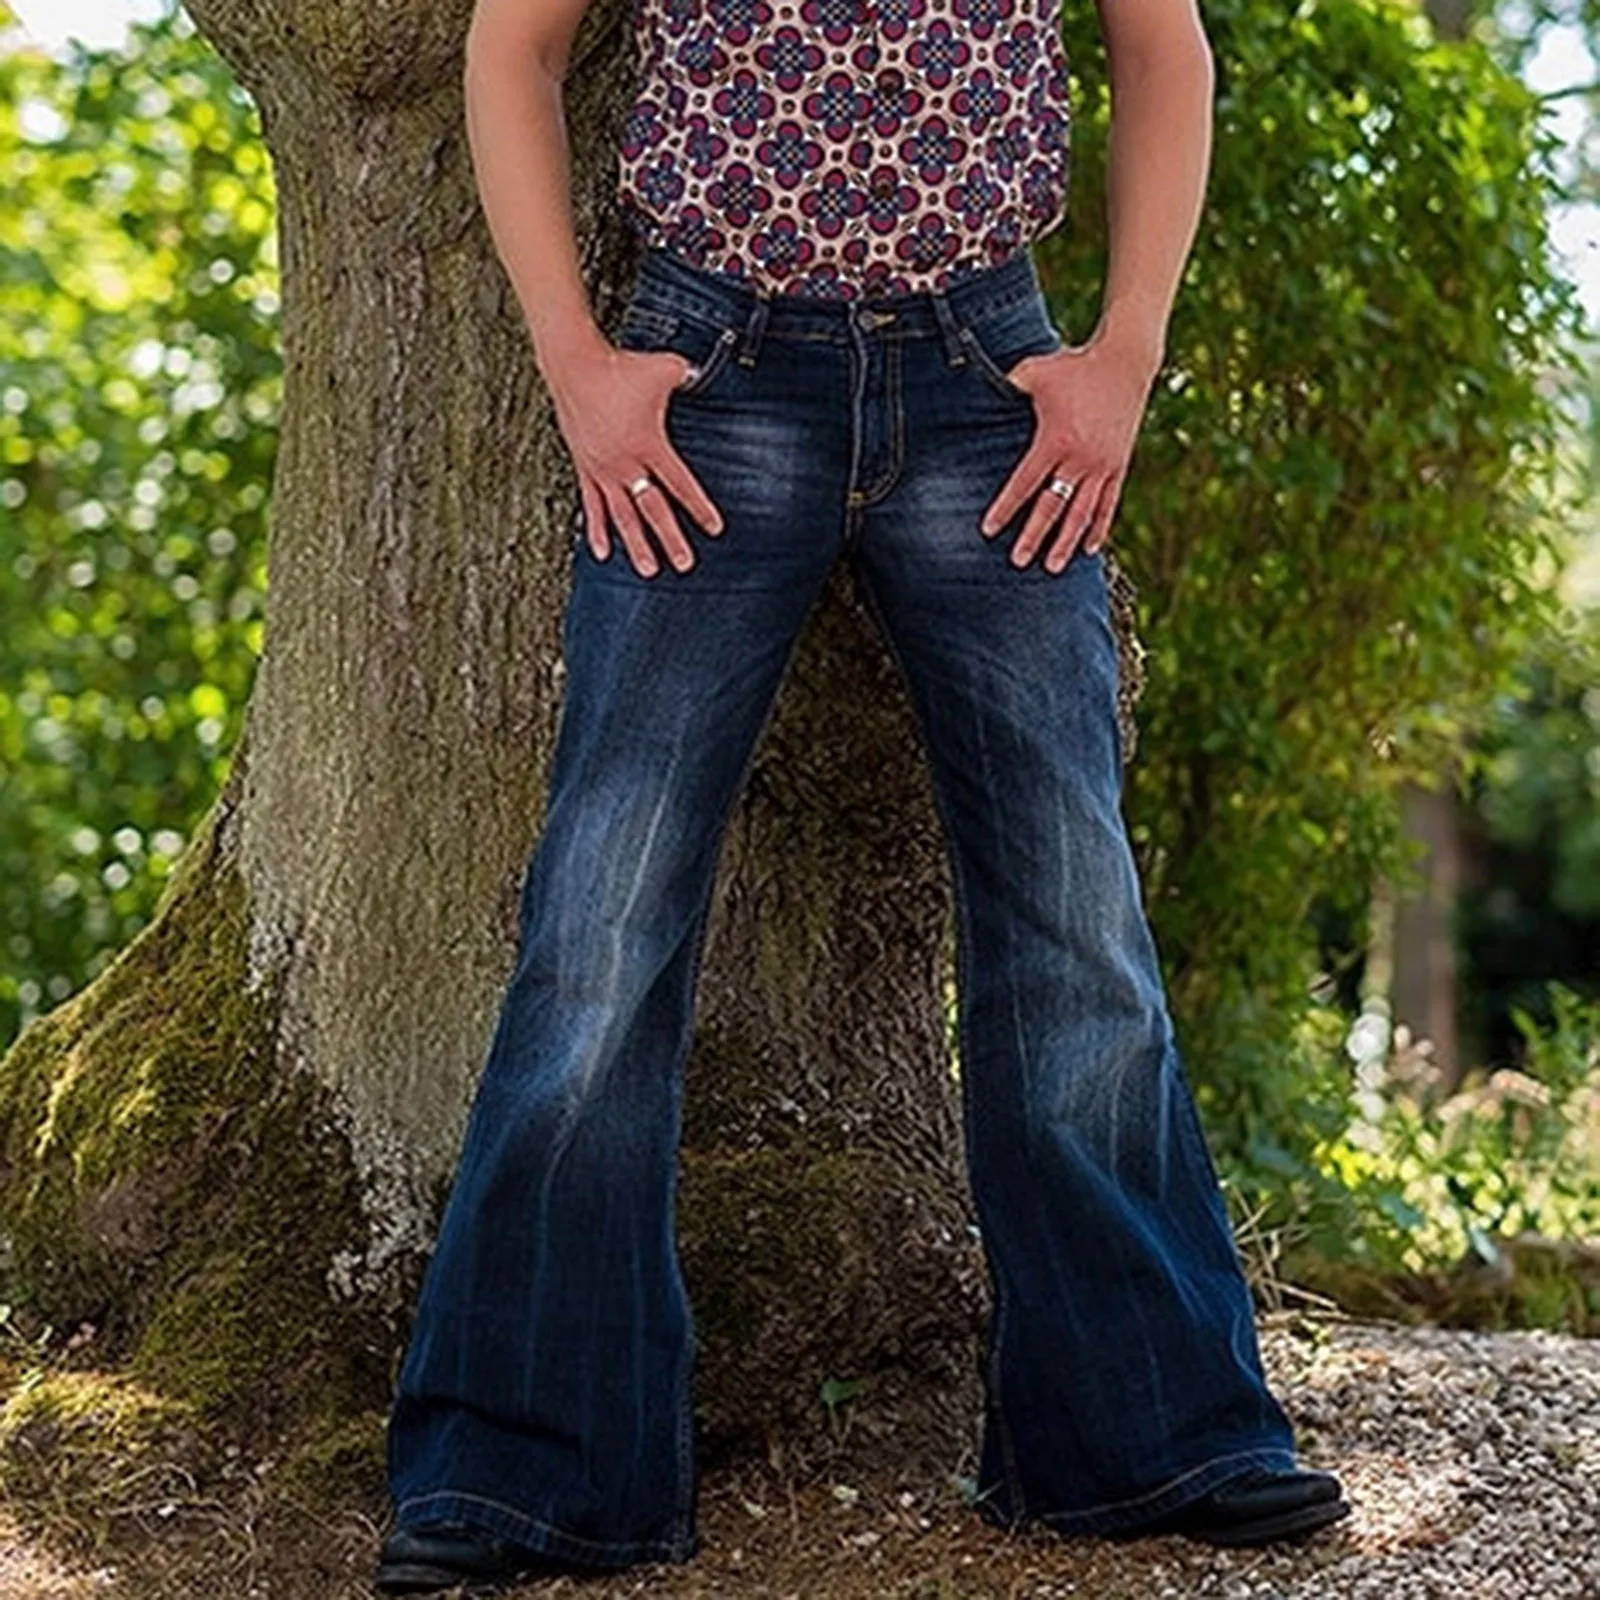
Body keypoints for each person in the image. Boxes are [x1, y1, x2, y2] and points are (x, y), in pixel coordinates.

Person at [373, 0, 1352, 1590]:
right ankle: (525, 1473)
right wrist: (577, 367)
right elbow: (512, 46)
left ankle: (1157, 1437)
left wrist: (1125, 358)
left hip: (992, 383)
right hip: (707, 380)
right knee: (601, 922)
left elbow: (1164, 49)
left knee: (1075, 914)